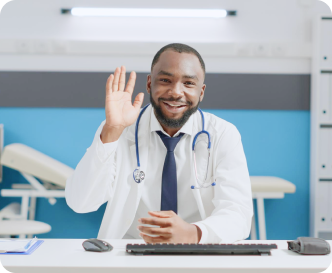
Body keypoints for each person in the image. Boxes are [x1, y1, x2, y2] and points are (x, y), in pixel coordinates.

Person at [65, 43, 253, 244]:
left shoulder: (222, 134)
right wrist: (111, 132)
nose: (175, 92)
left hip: (198, 249)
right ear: (149, 84)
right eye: (165, 80)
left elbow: (238, 214)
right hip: (128, 253)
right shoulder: (119, 128)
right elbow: (80, 203)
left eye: (188, 83)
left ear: (201, 92)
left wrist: (192, 233)